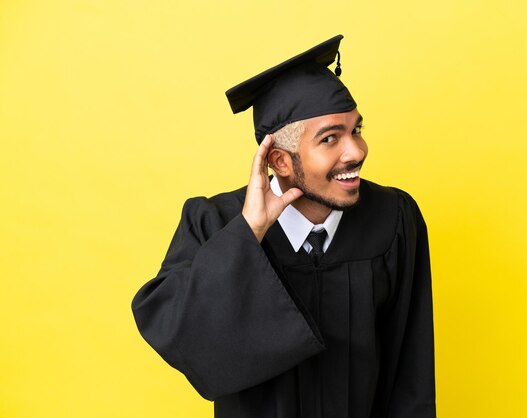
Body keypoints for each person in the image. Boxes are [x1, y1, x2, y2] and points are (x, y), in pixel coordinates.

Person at [131, 35, 436, 418]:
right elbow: (175, 330)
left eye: (356, 130)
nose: (356, 151)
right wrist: (248, 234)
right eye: (330, 138)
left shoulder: (393, 218)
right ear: (280, 160)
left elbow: (411, 371)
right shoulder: (216, 222)